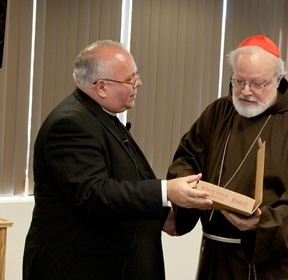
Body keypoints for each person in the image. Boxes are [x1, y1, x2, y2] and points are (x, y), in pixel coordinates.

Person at [23, 40, 212, 280]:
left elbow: (129, 174)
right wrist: (166, 191)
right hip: (79, 268)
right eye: (130, 79)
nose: (138, 84)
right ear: (101, 87)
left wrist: (163, 216)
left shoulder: (101, 115)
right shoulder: (70, 124)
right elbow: (95, 193)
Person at [167, 34, 288, 280]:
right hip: (215, 254)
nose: (245, 91)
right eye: (238, 81)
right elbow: (187, 158)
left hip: (269, 263)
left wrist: (262, 222)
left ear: (278, 80)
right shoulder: (218, 112)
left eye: (256, 83)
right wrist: (186, 190)